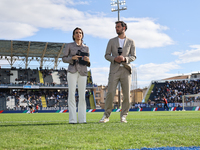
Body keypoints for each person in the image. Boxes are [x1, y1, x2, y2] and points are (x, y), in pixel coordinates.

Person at [99, 21, 136, 123]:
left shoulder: (131, 42)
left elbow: (133, 56)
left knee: (127, 95)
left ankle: (123, 116)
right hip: (114, 70)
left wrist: (124, 59)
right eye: (116, 27)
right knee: (110, 93)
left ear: (124, 28)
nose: (116, 29)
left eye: (118, 27)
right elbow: (106, 55)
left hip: (125, 70)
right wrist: (115, 59)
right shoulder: (111, 41)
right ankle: (106, 116)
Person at [62, 27, 90, 124]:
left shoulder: (86, 47)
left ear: (82, 35)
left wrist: (88, 61)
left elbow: (88, 63)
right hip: (72, 71)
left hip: (83, 72)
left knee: (82, 96)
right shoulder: (69, 45)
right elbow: (64, 58)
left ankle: (83, 119)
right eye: (77, 33)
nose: (78, 34)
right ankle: (72, 120)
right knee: (71, 95)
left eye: (80, 33)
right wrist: (72, 58)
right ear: (74, 35)